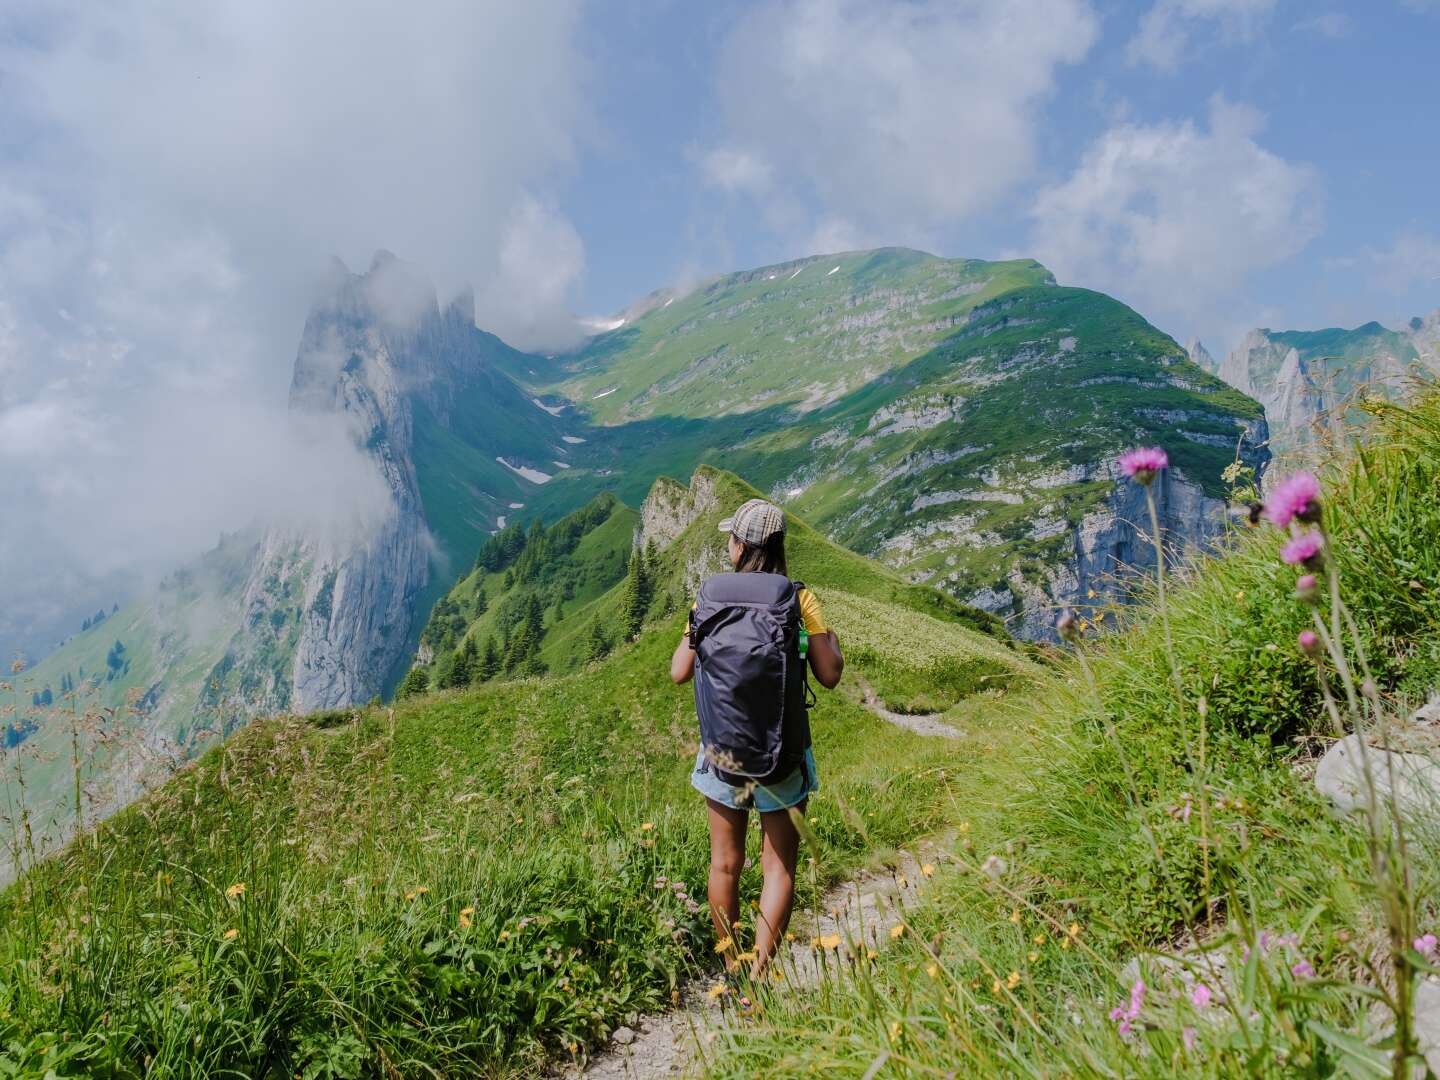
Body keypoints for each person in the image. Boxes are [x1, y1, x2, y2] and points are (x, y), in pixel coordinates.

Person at [670, 498, 843, 981]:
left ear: (742, 546)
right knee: (777, 867)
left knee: (725, 864)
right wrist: (830, 642)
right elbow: (828, 675)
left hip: (722, 754)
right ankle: (760, 976)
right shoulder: (797, 598)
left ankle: (730, 965)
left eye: (731, 538)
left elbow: (679, 671)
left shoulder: (707, 597)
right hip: (782, 752)